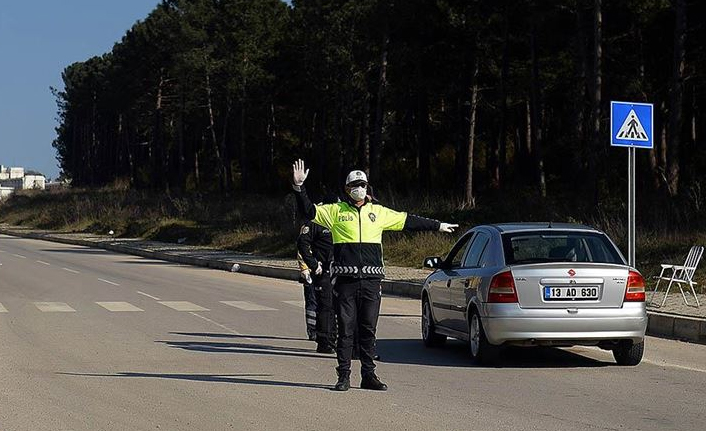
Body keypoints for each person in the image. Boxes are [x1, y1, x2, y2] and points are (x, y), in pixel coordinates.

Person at [291, 159, 458, 392]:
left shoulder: (378, 213)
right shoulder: (335, 212)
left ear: (367, 187)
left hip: (371, 281)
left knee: (368, 329)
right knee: (346, 329)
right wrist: (299, 188)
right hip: (346, 282)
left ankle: (369, 375)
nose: (359, 188)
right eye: (355, 184)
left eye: (363, 184)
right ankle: (344, 376)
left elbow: (408, 220)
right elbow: (308, 211)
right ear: (347, 189)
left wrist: (438, 225)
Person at [296, 194, 338, 354]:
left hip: (340, 270)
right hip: (323, 271)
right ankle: (324, 341)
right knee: (325, 307)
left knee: (340, 307)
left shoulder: (339, 221)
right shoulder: (315, 221)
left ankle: (336, 339)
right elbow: (302, 244)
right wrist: (311, 266)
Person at [296, 252, 318, 341]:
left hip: (325, 272)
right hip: (310, 272)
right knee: (312, 303)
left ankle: (325, 330)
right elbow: (302, 251)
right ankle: (312, 330)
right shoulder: (308, 238)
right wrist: (304, 269)